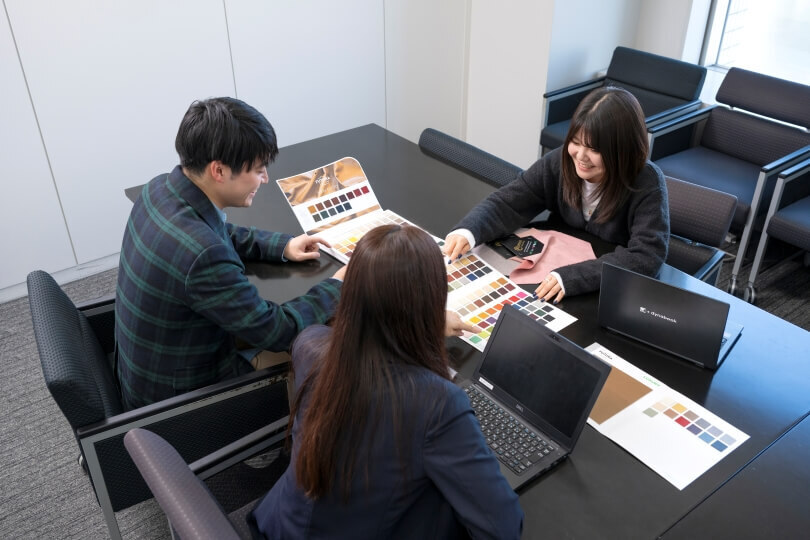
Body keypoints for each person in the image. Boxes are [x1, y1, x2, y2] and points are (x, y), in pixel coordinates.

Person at [250, 224, 523, 539]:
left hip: (280, 527)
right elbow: (503, 528)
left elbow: (340, 332)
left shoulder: (309, 345)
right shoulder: (439, 404)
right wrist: (425, 325)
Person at [115, 97, 346, 409]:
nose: (265, 179)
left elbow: (217, 233)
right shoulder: (203, 256)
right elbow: (277, 330)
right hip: (180, 404)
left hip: (147, 370)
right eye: (259, 170)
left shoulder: (158, 190)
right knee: (334, 363)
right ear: (219, 171)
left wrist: (281, 245)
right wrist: (339, 286)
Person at [444, 86, 669, 303]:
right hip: (548, 274)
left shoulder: (647, 182)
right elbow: (509, 202)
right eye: (576, 142)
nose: (580, 156)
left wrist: (571, 277)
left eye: (594, 149)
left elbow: (646, 256)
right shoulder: (559, 161)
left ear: (623, 150)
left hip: (600, 290)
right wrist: (468, 231)